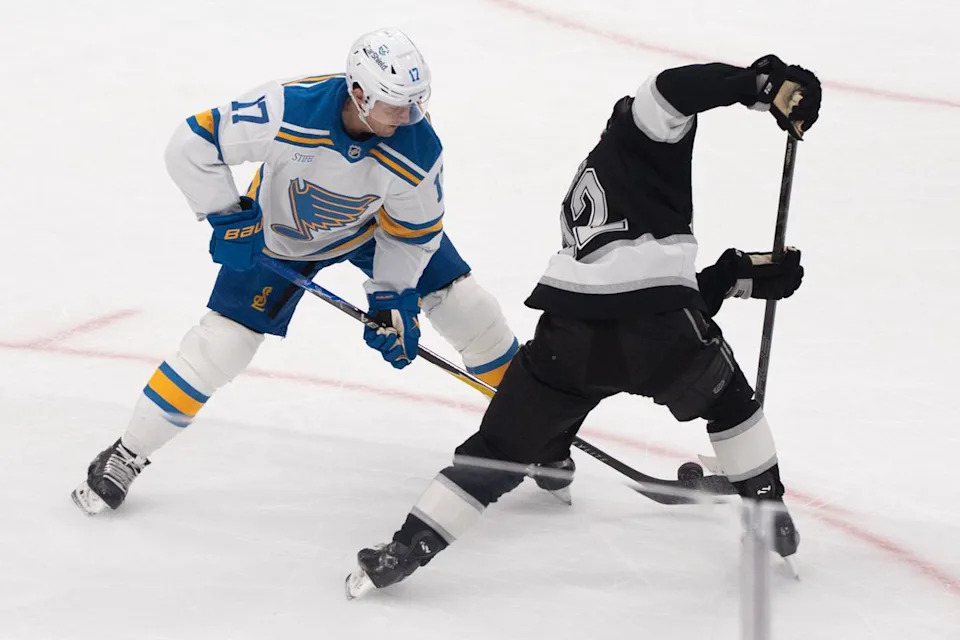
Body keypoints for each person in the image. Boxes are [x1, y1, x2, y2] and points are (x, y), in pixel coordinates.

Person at [345, 54, 821, 598]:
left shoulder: (595, 180)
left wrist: (732, 277)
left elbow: (622, 289)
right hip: (660, 332)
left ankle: (405, 549)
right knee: (731, 403)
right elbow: (670, 87)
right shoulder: (640, 130)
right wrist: (759, 85)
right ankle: (767, 511)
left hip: (568, 340)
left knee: (494, 451)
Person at [70, 28, 525, 515]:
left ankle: (536, 427)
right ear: (358, 92)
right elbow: (192, 142)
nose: (410, 117)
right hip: (280, 237)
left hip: (374, 231)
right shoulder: (289, 107)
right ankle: (127, 452)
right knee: (220, 346)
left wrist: (394, 297)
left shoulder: (418, 146)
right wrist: (226, 214)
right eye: (396, 104)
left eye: (415, 103)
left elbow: (413, 233)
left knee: (468, 308)